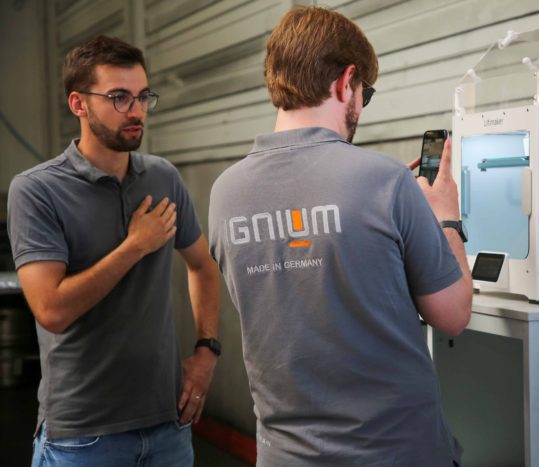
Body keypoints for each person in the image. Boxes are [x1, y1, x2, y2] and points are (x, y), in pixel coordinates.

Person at [208, 6, 473, 466]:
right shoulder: (384, 180)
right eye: (365, 93)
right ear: (345, 81)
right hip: (394, 453)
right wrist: (445, 218)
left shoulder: (224, 192)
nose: (360, 107)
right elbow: (452, 316)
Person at [7, 35, 221, 467]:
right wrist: (135, 246)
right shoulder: (37, 190)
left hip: (168, 429)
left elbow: (203, 266)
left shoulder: (163, 177)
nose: (136, 110)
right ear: (78, 104)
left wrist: (206, 352)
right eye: (119, 97)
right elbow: (51, 310)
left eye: (143, 97)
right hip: (82, 438)